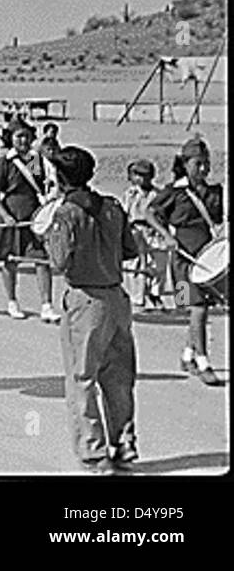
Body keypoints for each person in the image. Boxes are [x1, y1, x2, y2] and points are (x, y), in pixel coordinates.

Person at [44, 145, 140, 473]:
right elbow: (130, 250)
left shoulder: (65, 214)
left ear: (59, 178)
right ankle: (124, 447)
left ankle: (95, 455)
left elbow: (58, 262)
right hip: (117, 298)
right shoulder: (112, 206)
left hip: (86, 301)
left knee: (82, 379)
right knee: (119, 379)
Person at [145, 137, 224, 386]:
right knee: (196, 308)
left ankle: (188, 354)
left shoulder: (214, 193)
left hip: (206, 262)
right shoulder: (174, 192)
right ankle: (203, 361)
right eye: (198, 164)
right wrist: (167, 235)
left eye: (206, 164)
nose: (203, 169)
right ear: (185, 163)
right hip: (181, 262)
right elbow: (149, 212)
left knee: (201, 309)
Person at [0, 120, 59, 323]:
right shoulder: (3, 162)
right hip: (12, 213)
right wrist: (5, 216)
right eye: (19, 136)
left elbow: (41, 186)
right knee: (10, 260)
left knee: (41, 260)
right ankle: (12, 301)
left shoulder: (34, 159)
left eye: (27, 136)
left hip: (34, 216)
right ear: (10, 139)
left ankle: (46, 305)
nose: (23, 140)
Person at [123, 160, 167, 310]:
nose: (142, 179)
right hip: (136, 231)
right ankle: (138, 297)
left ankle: (155, 294)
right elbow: (126, 214)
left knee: (158, 265)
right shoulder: (130, 194)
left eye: (145, 175)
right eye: (138, 175)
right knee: (137, 265)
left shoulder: (158, 195)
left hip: (153, 232)